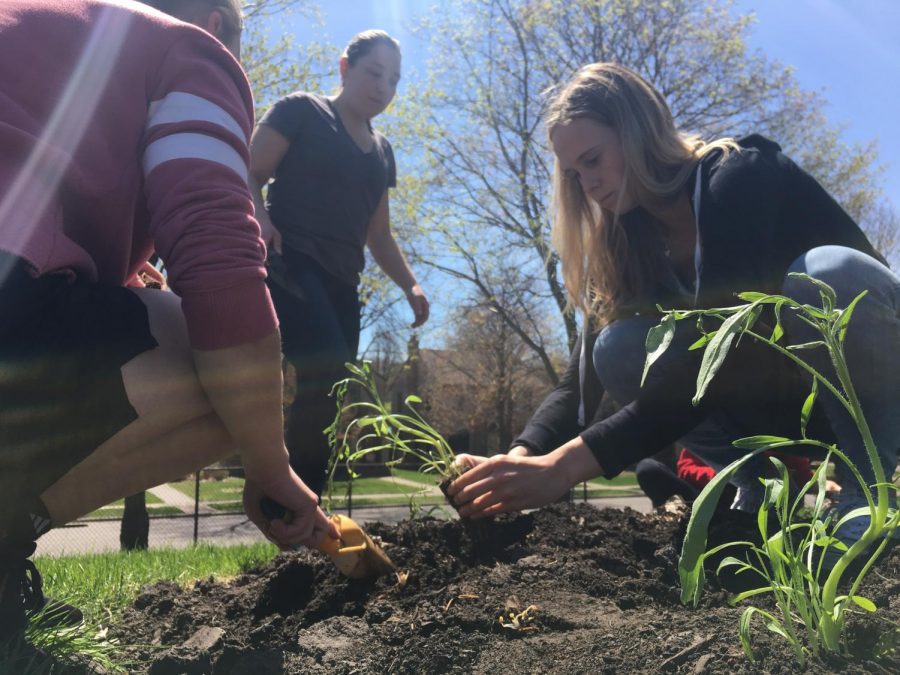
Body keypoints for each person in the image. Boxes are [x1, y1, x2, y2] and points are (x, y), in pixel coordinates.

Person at [448, 63, 899, 552]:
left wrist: (566, 467)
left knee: (825, 274)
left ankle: (868, 495)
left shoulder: (738, 178)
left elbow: (726, 356)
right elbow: (582, 379)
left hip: (867, 386)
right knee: (618, 346)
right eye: (576, 174)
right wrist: (519, 459)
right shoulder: (630, 243)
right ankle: (761, 484)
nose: (589, 185)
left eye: (595, 159)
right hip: (780, 406)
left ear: (638, 131)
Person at [0, 0, 337, 642]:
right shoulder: (190, 50)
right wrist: (269, 467)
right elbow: (218, 258)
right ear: (216, 23)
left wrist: (119, 282)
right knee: (241, 374)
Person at [249, 30, 429, 498]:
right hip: (290, 263)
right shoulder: (302, 111)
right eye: (374, 73)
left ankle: (304, 506)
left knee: (334, 388)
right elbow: (246, 173)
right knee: (326, 365)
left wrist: (411, 285)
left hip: (341, 282)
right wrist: (262, 219)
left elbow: (380, 234)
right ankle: (282, 493)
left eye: (393, 80)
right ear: (345, 68)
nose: (383, 87)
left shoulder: (382, 152)